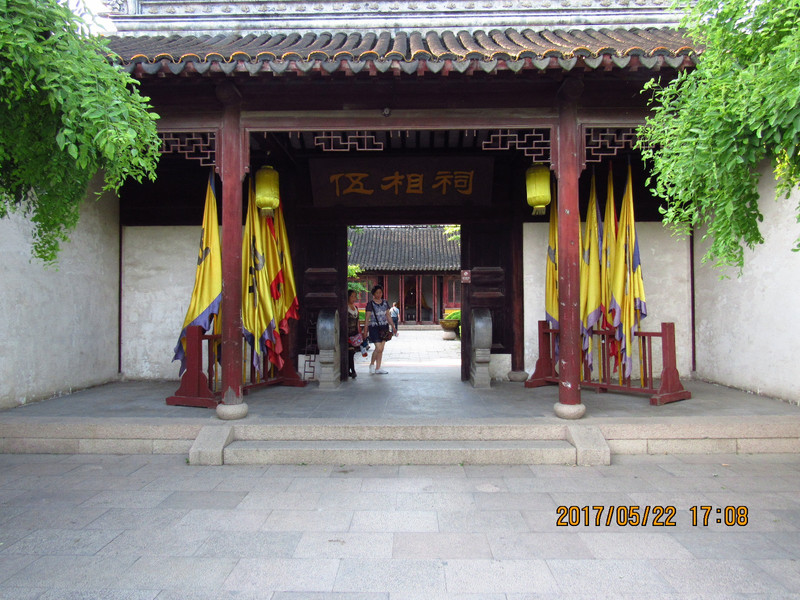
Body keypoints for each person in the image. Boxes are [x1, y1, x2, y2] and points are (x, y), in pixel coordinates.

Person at [362, 284, 398, 374]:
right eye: (377, 293)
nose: (379, 294)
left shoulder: (385, 303)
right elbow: (367, 318)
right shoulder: (370, 304)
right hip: (374, 327)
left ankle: (378, 368)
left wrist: (393, 326)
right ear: (373, 294)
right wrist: (365, 330)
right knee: (378, 347)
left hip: (384, 327)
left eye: (380, 292)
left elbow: (388, 315)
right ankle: (371, 364)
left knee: (381, 348)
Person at [346, 289, 363, 378]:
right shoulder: (345, 307)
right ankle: (352, 370)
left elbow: (357, 321)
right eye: (352, 296)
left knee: (352, 352)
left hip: (354, 333)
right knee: (350, 352)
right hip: (347, 333)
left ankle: (349, 369)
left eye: (355, 296)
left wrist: (359, 332)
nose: (354, 298)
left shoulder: (355, 308)